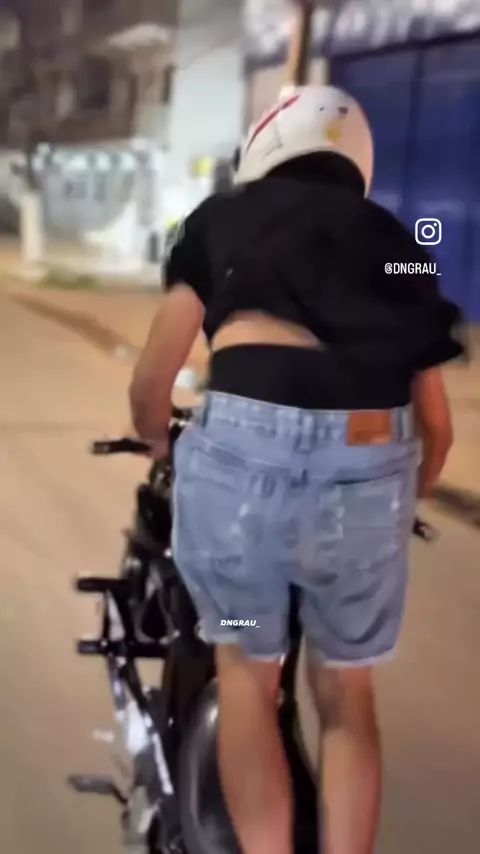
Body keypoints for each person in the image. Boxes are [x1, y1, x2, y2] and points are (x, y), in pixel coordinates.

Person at [129, 85, 463, 854]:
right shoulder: (395, 243)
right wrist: (394, 504)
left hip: (241, 470)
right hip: (368, 474)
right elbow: (437, 432)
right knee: (347, 695)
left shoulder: (222, 219)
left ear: (266, 144)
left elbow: (154, 382)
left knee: (249, 669)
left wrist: (158, 439)